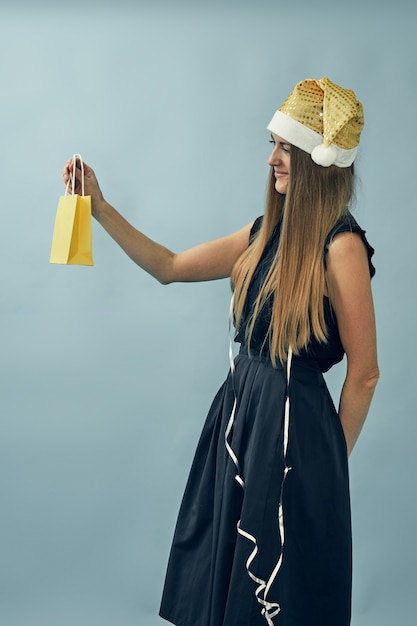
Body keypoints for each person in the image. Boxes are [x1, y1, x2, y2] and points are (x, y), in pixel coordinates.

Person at [62, 76, 379, 626]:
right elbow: (170, 267)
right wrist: (99, 207)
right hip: (241, 423)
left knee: (283, 590)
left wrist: (324, 464)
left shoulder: (342, 245)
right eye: (273, 145)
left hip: (294, 438)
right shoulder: (263, 234)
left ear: (318, 161)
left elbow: (366, 374)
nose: (273, 160)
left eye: (286, 148)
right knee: (226, 582)